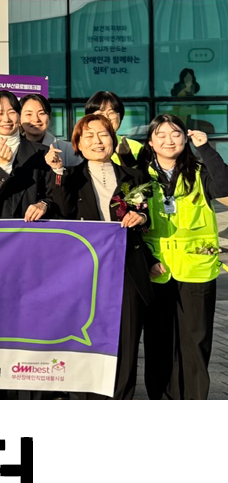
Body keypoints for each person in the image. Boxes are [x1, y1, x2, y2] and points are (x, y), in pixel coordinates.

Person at [47, 113, 157, 400]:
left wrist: (141, 216)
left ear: (113, 139)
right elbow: (63, 211)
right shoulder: (70, 177)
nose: (97, 141)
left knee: (126, 341)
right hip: (85, 272)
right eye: (89, 136)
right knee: (86, 340)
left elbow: (148, 219)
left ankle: (119, 401)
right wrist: (58, 171)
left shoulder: (134, 177)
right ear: (78, 144)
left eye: (103, 134)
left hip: (127, 269)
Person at [137, 115, 228, 400]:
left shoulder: (200, 171)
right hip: (157, 269)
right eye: (161, 135)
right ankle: (163, 400)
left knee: (196, 342)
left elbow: (224, 190)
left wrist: (206, 149)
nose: (169, 140)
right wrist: (147, 260)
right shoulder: (139, 176)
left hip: (196, 268)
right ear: (151, 142)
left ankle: (193, 403)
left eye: (175, 134)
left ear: (185, 138)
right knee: (158, 342)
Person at [0, 91, 55, 221]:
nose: (6, 119)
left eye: (12, 112)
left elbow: (52, 195)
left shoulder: (42, 152)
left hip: (31, 228)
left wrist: (43, 204)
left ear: (19, 115)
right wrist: (2, 166)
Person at [19, 93, 78, 167]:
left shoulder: (67, 150)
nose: (36, 119)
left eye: (41, 113)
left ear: (49, 117)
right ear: (19, 118)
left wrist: (59, 169)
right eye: (29, 114)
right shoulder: (13, 148)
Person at [85, 91, 142, 166]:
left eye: (111, 112)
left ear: (120, 117)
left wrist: (127, 157)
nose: (106, 117)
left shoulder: (137, 147)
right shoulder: (82, 146)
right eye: (100, 114)